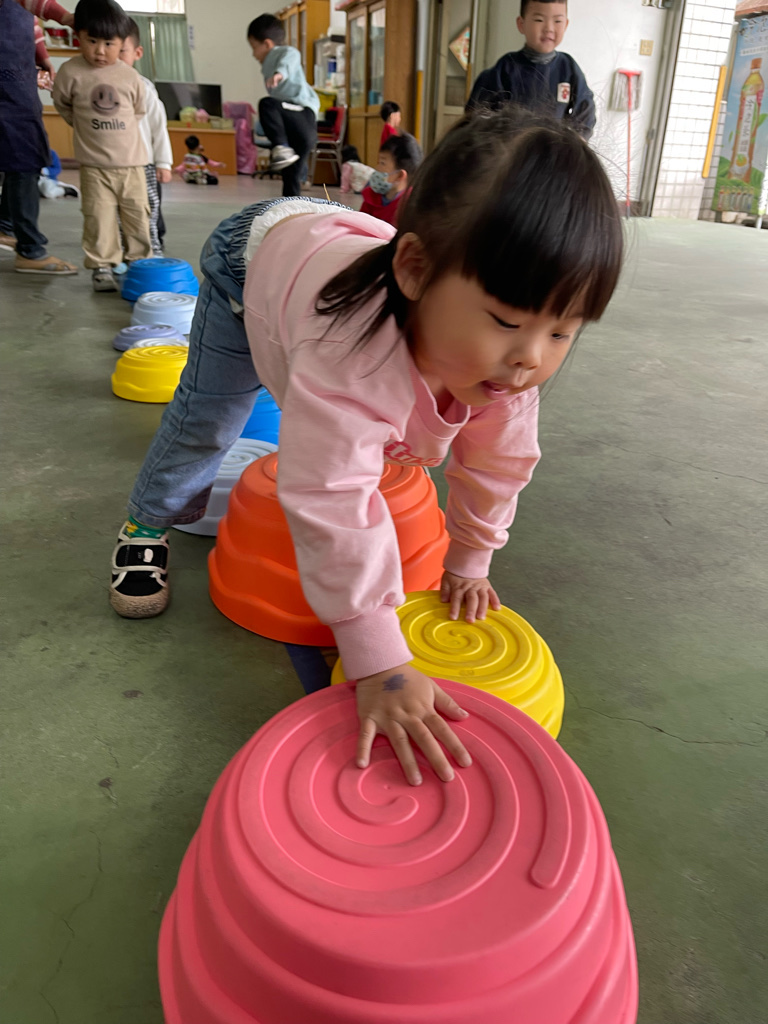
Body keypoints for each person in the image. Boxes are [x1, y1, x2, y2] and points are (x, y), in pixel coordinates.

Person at [108, 107, 623, 786]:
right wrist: (378, 660)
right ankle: (145, 524)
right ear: (415, 272)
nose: (532, 357)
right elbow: (330, 493)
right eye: (506, 321)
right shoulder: (347, 348)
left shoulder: (510, 362)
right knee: (212, 417)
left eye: (563, 331)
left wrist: (470, 560)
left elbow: (499, 463)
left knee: (379, 426)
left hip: (342, 247)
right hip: (251, 261)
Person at [52, 0, 151, 292]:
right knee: (98, 216)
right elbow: (63, 104)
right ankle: (103, 267)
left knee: (137, 214)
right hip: (94, 166)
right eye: (92, 41)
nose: (99, 51)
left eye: (109, 44)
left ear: (122, 43)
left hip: (132, 164)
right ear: (78, 37)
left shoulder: (129, 76)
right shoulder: (71, 72)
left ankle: (140, 262)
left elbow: (138, 111)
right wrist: (83, 124)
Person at [0, 0, 78, 274]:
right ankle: (30, 250)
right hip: (7, 76)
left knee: (16, 154)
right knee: (25, 155)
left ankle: (5, 227)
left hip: (17, 72)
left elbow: (30, 19)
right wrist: (65, 17)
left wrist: (42, 57)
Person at [467, 0, 595, 139]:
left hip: (553, 149)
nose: (549, 28)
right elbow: (478, 114)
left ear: (566, 24)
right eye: (539, 20)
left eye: (557, 21)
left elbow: (585, 111)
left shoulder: (569, 68)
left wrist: (576, 141)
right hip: (511, 148)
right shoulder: (505, 68)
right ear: (521, 24)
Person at [247, 14, 319, 197]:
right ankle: (291, 208)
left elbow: (291, 58)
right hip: (295, 126)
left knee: (267, 104)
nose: (253, 55)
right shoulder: (269, 66)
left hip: (303, 115)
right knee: (290, 175)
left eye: (254, 47)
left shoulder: (284, 53)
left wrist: (280, 74)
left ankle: (281, 146)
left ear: (267, 44)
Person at [119, 19, 172, 256]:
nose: (114, 57)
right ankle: (124, 250)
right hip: (114, 164)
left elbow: (158, 127)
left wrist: (164, 163)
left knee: (148, 208)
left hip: (145, 164)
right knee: (118, 210)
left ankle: (153, 248)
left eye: (122, 51)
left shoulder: (144, 88)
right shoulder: (98, 86)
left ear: (137, 53)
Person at [360, 133, 421, 226]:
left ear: (400, 175)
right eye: (378, 162)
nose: (377, 168)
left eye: (382, 163)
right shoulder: (371, 197)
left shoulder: (410, 205)